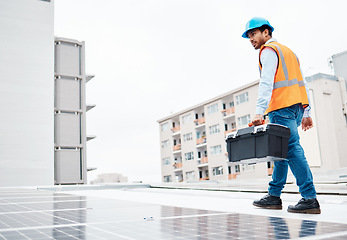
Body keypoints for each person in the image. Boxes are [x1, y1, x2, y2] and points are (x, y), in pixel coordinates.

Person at [242, 17, 321, 214]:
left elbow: (266, 82)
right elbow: (303, 82)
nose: (251, 39)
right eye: (249, 36)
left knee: (292, 149)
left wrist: (260, 111)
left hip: (281, 108)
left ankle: (309, 198)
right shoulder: (289, 52)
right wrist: (306, 111)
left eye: (253, 34)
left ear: (266, 33)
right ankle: (274, 196)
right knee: (280, 152)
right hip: (295, 108)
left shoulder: (268, 51)